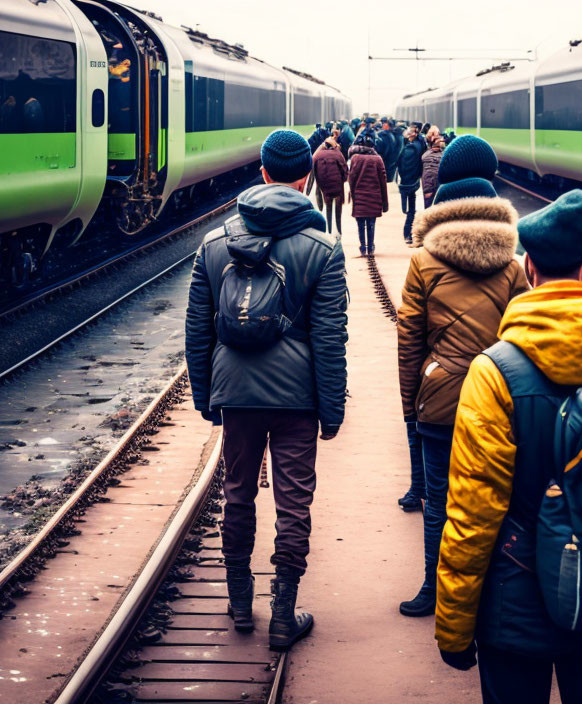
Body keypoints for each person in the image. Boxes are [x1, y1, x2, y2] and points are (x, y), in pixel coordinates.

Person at [435, 190, 582, 703]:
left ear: (528, 266)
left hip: (513, 602)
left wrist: (453, 624)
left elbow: (474, 511)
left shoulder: (494, 371)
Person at [184, 129, 348, 650]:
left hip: (236, 391)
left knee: (236, 493)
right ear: (306, 181)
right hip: (297, 397)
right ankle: (282, 614)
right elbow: (329, 338)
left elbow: (197, 329)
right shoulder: (323, 249)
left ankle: (237, 605)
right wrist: (332, 407)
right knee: (293, 502)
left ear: (262, 174)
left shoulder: (214, 243)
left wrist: (207, 396)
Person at [396, 135, 529, 617]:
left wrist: (412, 405)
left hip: (442, 401)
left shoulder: (423, 262)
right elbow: (523, 338)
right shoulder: (514, 268)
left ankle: (435, 590)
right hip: (500, 401)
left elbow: (409, 341)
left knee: (439, 502)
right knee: (498, 499)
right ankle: (493, 594)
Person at [348, 134, 389, 256]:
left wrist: (353, 194)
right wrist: (384, 203)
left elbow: (351, 178)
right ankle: (371, 247)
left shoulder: (355, 158)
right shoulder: (378, 159)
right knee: (371, 224)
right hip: (374, 197)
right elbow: (383, 182)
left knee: (361, 225)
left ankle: (362, 247)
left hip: (360, 197)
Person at [311, 130, 348, 235]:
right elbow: (345, 170)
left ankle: (329, 230)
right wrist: (344, 180)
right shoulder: (338, 154)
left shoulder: (318, 155)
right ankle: (339, 231)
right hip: (337, 187)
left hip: (325, 188)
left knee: (328, 209)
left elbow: (313, 169)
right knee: (338, 211)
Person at [396, 124, 426, 244]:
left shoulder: (411, 148)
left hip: (408, 181)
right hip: (414, 181)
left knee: (410, 210)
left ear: (414, 134)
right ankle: (408, 233)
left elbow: (401, 162)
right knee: (411, 209)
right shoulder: (420, 145)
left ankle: (407, 233)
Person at [421, 136, 444, 208]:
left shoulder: (425, 155)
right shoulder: (444, 155)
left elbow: (427, 174)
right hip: (440, 187)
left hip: (428, 187)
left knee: (428, 209)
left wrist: (427, 190)